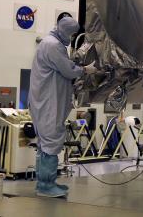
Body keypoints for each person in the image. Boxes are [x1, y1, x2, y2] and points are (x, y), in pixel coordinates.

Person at [29, 16, 96, 198]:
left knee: (45, 144)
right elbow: (67, 70)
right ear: (66, 31)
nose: (72, 37)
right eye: (72, 33)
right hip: (49, 102)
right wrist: (85, 70)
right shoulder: (53, 45)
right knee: (51, 141)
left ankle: (45, 182)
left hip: (46, 100)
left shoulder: (50, 42)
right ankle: (46, 186)